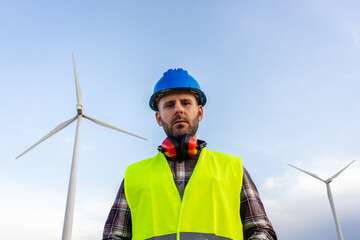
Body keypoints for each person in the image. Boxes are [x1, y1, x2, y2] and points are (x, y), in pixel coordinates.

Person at [103, 68, 277, 240]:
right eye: (169, 105)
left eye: (186, 103)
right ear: (158, 117)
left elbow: (262, 231)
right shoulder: (135, 175)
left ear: (199, 112)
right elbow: (113, 236)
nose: (178, 109)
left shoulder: (233, 168)